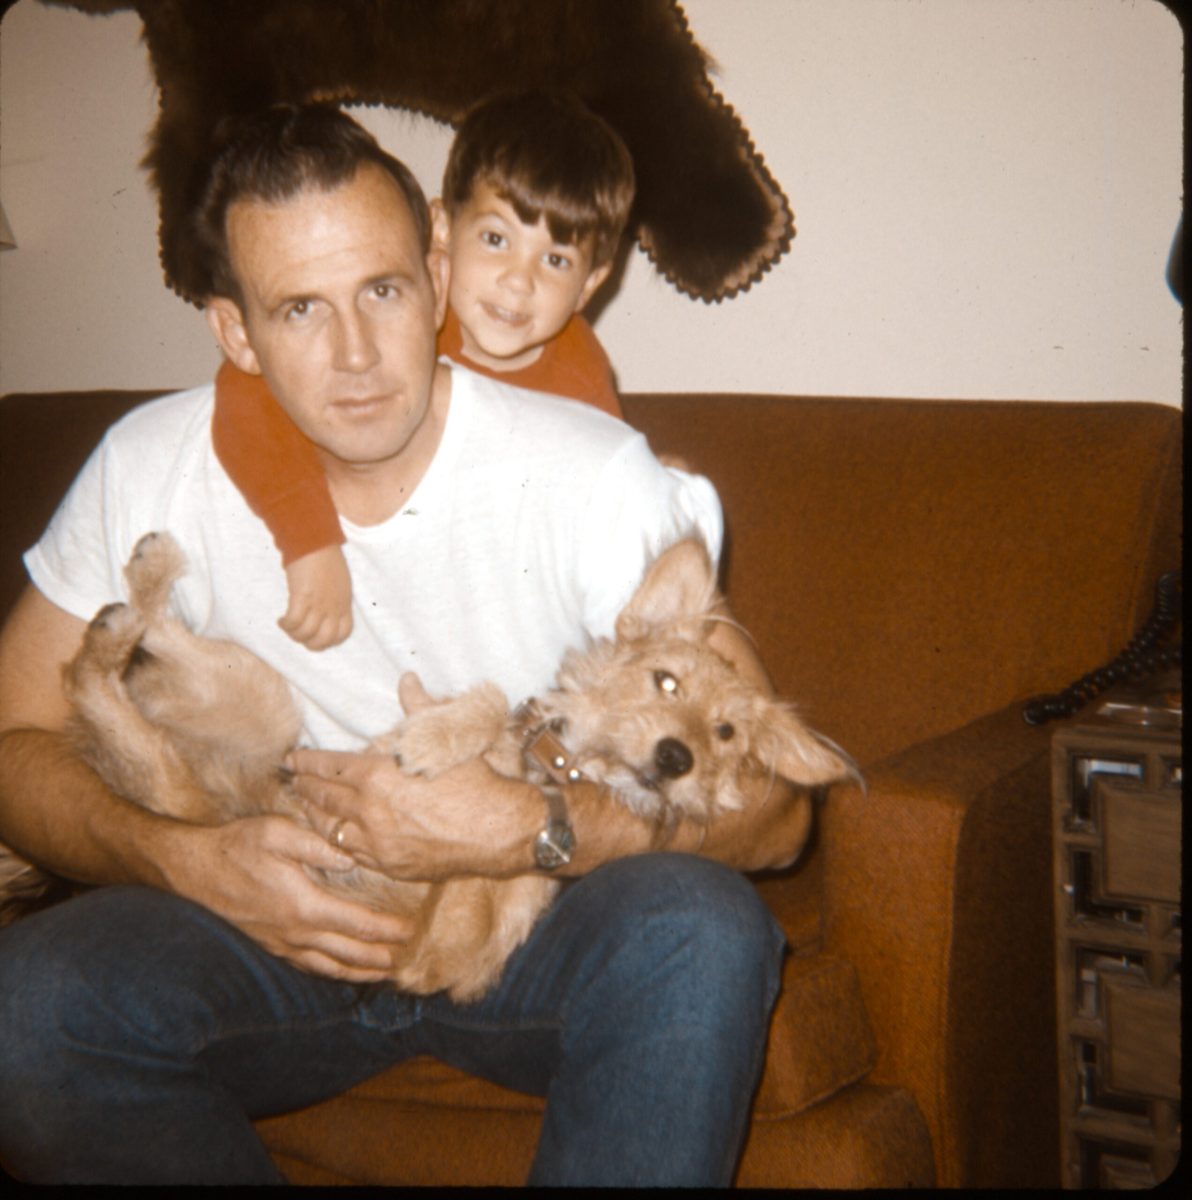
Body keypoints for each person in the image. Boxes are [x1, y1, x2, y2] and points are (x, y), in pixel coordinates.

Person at [0, 103, 808, 1186]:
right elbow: (12, 737)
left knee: (702, 930)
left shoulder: (596, 475)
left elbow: (779, 814)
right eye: (299, 309)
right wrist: (185, 861)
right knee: (23, 1009)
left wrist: (528, 827)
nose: (356, 356)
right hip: (271, 928)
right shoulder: (146, 463)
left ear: (433, 270)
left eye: (381, 290)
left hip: (527, 923)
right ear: (235, 332)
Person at [212, 89, 633, 650]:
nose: (518, 281)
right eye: (496, 239)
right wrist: (309, 542)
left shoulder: (582, 384)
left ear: (590, 284)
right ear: (441, 227)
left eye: (555, 260)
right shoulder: (405, 325)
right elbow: (244, 388)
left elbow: (609, 504)